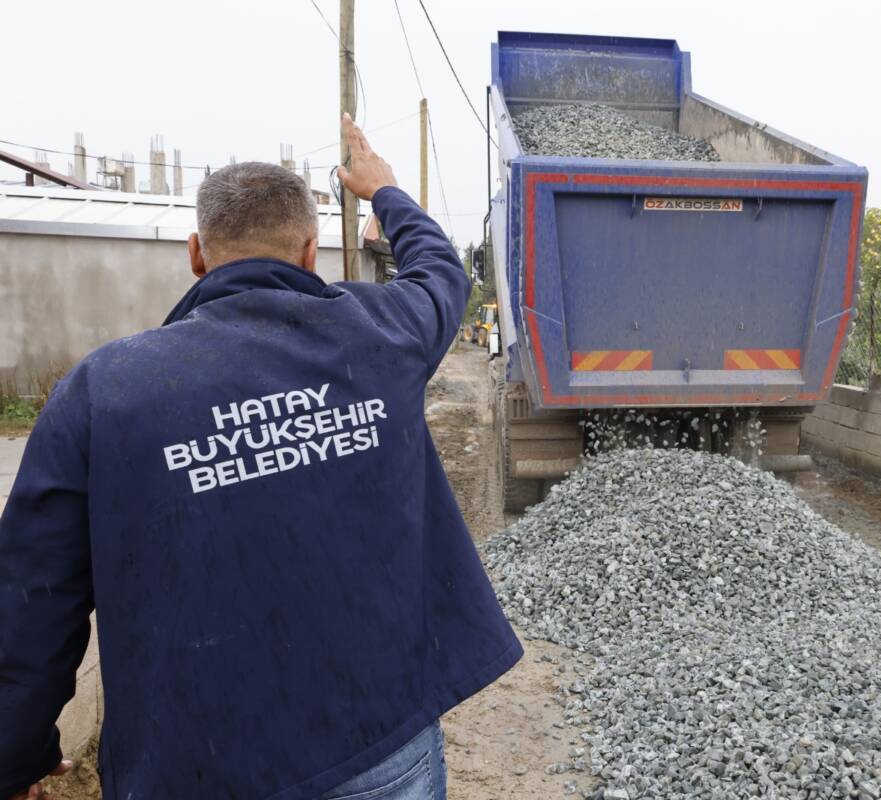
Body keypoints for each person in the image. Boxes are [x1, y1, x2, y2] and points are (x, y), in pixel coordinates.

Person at [0, 115, 522, 800]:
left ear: (196, 253)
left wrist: (16, 754)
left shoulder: (103, 390)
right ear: (310, 252)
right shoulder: (381, 332)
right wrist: (385, 190)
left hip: (191, 768)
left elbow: (34, 602)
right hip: (378, 746)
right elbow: (440, 269)